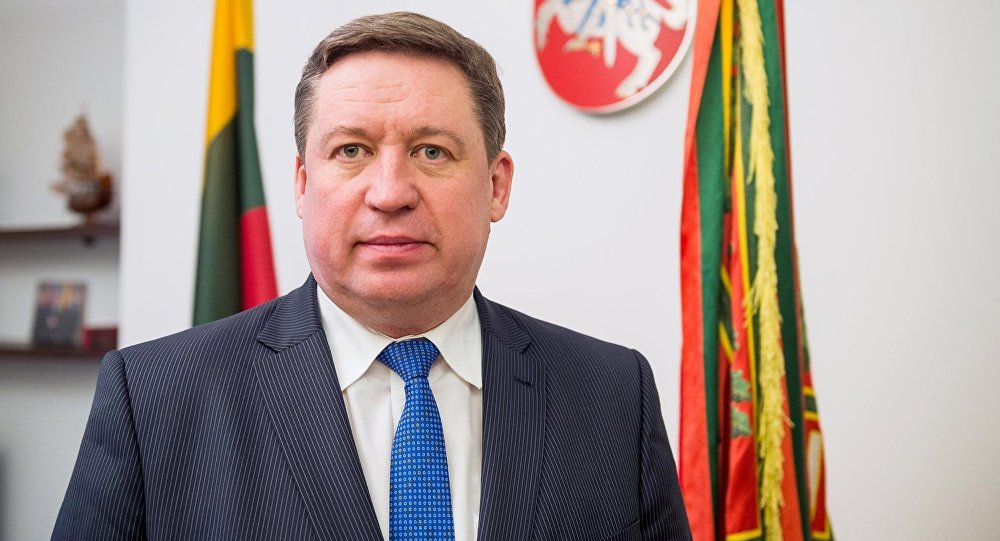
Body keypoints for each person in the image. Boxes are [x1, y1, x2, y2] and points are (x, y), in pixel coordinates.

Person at [53, 12, 691, 541]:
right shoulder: (153, 400)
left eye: (431, 151)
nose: (389, 193)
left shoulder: (614, 395)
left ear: (497, 186)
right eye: (351, 150)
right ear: (303, 184)